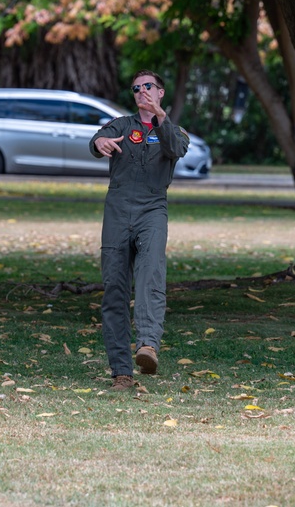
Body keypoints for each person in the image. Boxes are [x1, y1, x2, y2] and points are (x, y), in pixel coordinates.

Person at [90, 70, 190, 390]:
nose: (141, 91)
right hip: (118, 212)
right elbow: (98, 139)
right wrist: (100, 142)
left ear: (160, 93)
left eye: (148, 86)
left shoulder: (172, 130)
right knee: (115, 290)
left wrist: (161, 118)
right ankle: (121, 371)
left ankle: (148, 345)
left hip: (152, 210)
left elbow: (177, 149)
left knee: (150, 274)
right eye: (136, 88)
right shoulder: (122, 125)